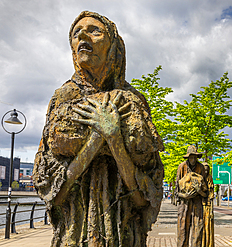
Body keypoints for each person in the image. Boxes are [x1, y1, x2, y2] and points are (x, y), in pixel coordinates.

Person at [33, 11, 164, 246]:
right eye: (76, 33)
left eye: (95, 31)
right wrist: (96, 139)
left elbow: (143, 199)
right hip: (75, 234)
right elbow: (56, 194)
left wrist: (114, 139)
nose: (83, 34)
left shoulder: (133, 101)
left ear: (113, 45)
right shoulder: (63, 98)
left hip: (123, 232)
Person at [176, 145, 208, 247]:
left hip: (197, 202)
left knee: (198, 228)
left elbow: (205, 192)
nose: (193, 159)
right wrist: (184, 196)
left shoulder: (201, 167)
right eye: (191, 157)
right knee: (183, 229)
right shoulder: (182, 167)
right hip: (184, 203)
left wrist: (199, 191)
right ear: (188, 157)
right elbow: (176, 191)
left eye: (195, 157)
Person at [202, 163, 214, 247]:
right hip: (200, 205)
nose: (206, 171)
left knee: (208, 226)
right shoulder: (199, 178)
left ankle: (209, 244)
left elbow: (211, 195)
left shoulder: (210, 178)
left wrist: (212, 211)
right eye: (204, 169)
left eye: (207, 169)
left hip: (208, 206)